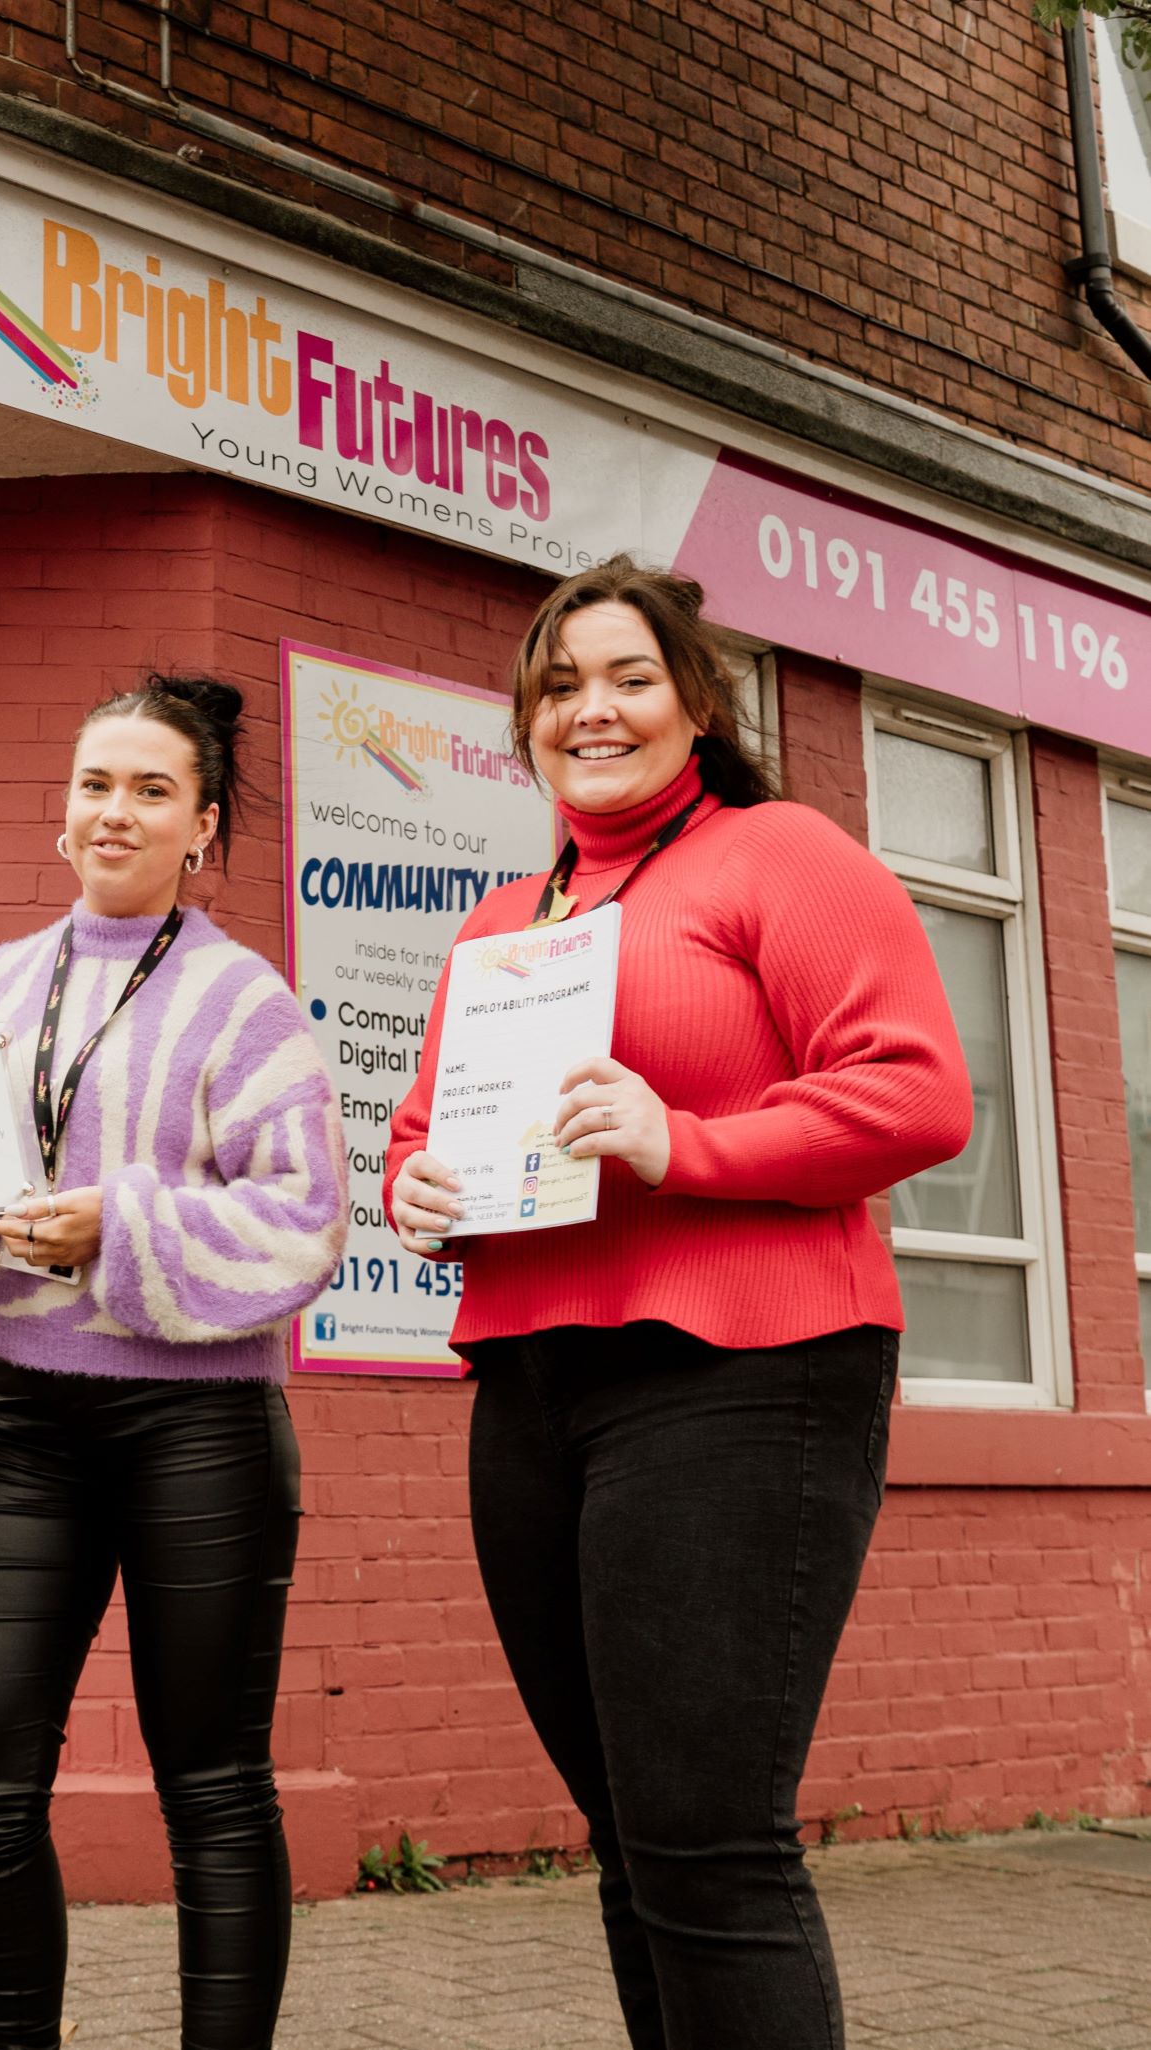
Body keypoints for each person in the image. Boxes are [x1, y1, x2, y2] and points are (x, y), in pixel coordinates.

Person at [384, 558, 972, 2050]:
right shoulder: (503, 922)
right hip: (531, 1382)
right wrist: (414, 1192)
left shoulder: (784, 856)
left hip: (745, 1372)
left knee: (709, 1839)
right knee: (634, 1841)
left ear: (698, 704)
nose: (595, 708)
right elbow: (421, 1129)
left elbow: (918, 1091)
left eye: (631, 676)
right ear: (526, 723)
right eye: (562, 683)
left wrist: (683, 1143)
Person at [0, 677, 349, 2050]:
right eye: (96, 781)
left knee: (211, 1782)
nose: (116, 810)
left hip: (195, 1429)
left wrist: (120, 1225)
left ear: (202, 826)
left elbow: (306, 1220)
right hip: (23, 1417)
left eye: (152, 789)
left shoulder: (246, 1000)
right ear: (63, 805)